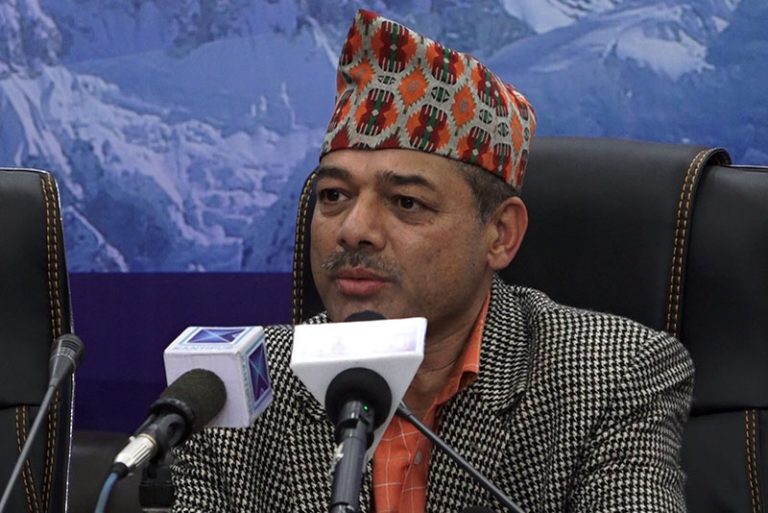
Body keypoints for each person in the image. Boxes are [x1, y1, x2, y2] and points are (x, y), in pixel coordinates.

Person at [172, 9, 693, 513]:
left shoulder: (612, 375)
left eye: (406, 202)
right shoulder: (235, 387)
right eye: (334, 196)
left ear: (500, 235)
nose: (353, 229)